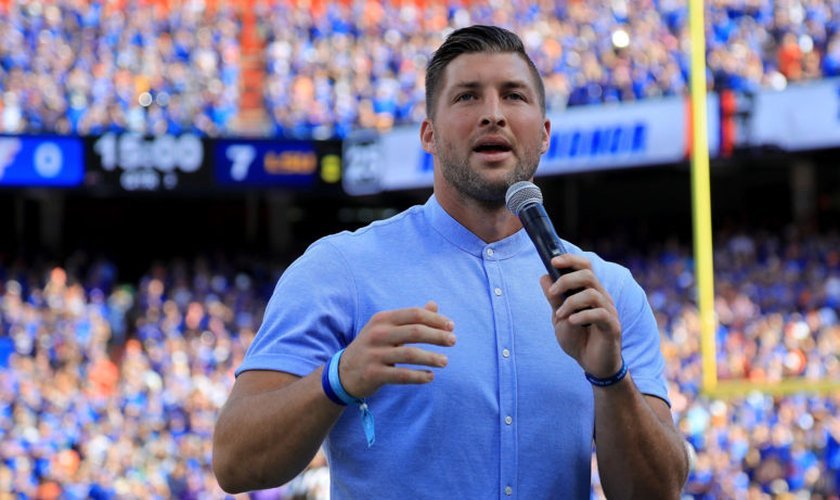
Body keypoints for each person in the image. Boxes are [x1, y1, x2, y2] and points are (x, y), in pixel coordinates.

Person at [213, 25, 689, 498]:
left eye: (514, 96)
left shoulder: (605, 292)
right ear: (429, 134)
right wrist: (338, 378)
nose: (493, 115)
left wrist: (610, 377)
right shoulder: (341, 269)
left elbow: (657, 492)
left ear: (544, 134)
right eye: (467, 97)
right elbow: (235, 463)